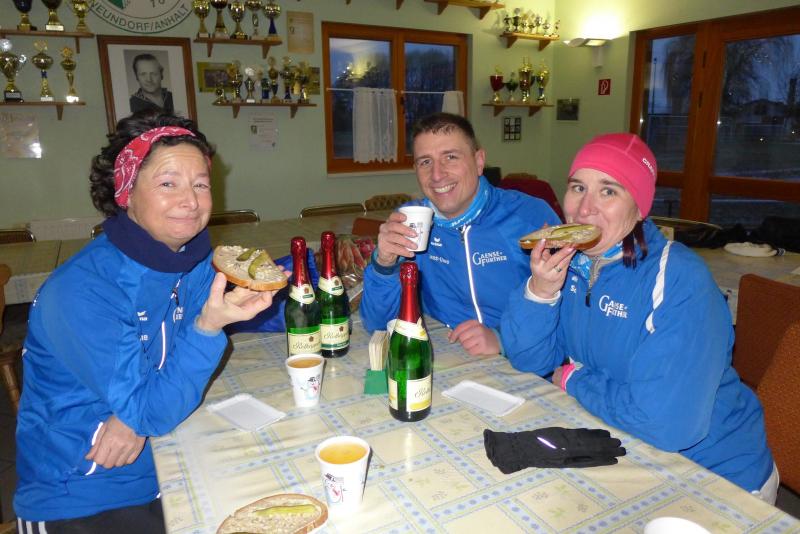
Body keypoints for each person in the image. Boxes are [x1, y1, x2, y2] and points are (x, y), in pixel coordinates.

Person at [14, 111, 278, 532]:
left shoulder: (192, 261)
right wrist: (206, 330)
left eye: (201, 184)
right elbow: (152, 406)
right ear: (126, 193)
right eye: (168, 183)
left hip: (171, 456)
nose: (190, 201)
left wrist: (134, 416)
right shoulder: (84, 289)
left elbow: (153, 401)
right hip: (82, 492)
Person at [500, 133, 778, 501]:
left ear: (640, 207)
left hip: (716, 475)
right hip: (625, 447)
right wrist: (540, 291)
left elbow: (665, 424)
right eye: (578, 187)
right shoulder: (573, 264)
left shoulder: (678, 278)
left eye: (608, 191)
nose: (584, 209)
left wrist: (573, 378)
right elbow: (529, 360)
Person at [361, 112, 561, 355]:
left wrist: (502, 338)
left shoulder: (530, 216)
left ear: (479, 161)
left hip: (524, 358)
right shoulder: (411, 222)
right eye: (425, 162)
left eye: (450, 157)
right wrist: (384, 265)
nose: (437, 175)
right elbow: (379, 325)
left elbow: (570, 310)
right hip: (449, 356)